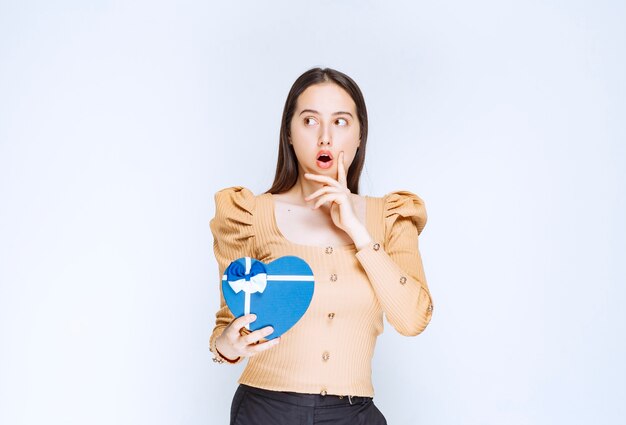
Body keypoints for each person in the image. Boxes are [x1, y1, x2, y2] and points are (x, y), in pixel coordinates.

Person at [209, 67, 434, 425]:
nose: (325, 137)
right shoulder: (248, 214)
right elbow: (227, 322)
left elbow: (411, 320)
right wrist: (227, 346)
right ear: (290, 133)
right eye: (310, 121)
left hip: (354, 414)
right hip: (265, 410)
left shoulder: (391, 216)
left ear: (360, 135)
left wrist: (358, 232)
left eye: (341, 122)